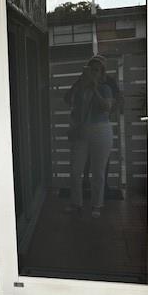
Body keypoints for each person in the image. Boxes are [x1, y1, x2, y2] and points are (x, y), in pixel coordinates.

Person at [64, 55, 113, 218]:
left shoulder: (105, 88)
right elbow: (67, 99)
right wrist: (79, 83)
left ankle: (97, 204)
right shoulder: (80, 87)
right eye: (90, 69)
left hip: (101, 131)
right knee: (75, 170)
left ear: (101, 73)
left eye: (96, 70)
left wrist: (95, 89)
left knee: (98, 171)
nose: (93, 73)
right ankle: (75, 203)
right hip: (81, 131)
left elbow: (106, 108)